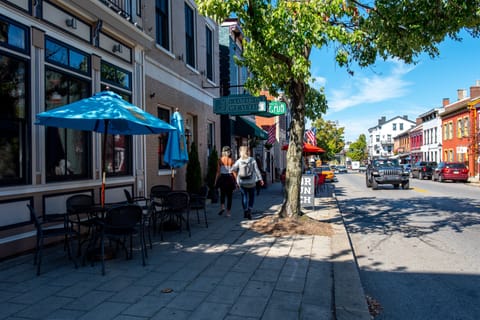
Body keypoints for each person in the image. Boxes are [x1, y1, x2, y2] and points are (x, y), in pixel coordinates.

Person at [231, 146, 264, 219]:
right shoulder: (252, 160)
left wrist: (236, 177)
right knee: (251, 197)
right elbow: (257, 170)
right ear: (248, 152)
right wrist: (260, 179)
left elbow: (232, 169)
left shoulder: (239, 161)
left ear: (241, 152)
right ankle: (249, 210)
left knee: (244, 197)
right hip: (252, 182)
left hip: (242, 182)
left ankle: (245, 211)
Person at [216, 146, 236, 217]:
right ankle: (228, 213)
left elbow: (218, 172)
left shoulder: (219, 160)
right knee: (229, 196)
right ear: (229, 152)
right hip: (229, 179)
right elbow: (234, 172)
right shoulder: (231, 160)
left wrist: (215, 181)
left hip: (222, 178)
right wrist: (236, 181)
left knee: (222, 194)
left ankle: (222, 207)